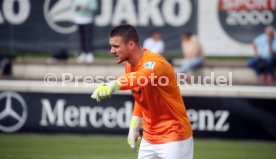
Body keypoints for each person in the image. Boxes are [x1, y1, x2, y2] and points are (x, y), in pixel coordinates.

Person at [91, 24, 193, 159]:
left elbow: (142, 77)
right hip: (149, 138)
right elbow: (140, 97)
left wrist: (113, 85)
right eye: (111, 46)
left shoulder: (156, 62)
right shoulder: (129, 65)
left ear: (131, 45)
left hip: (174, 136)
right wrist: (134, 126)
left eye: (116, 46)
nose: (111, 51)